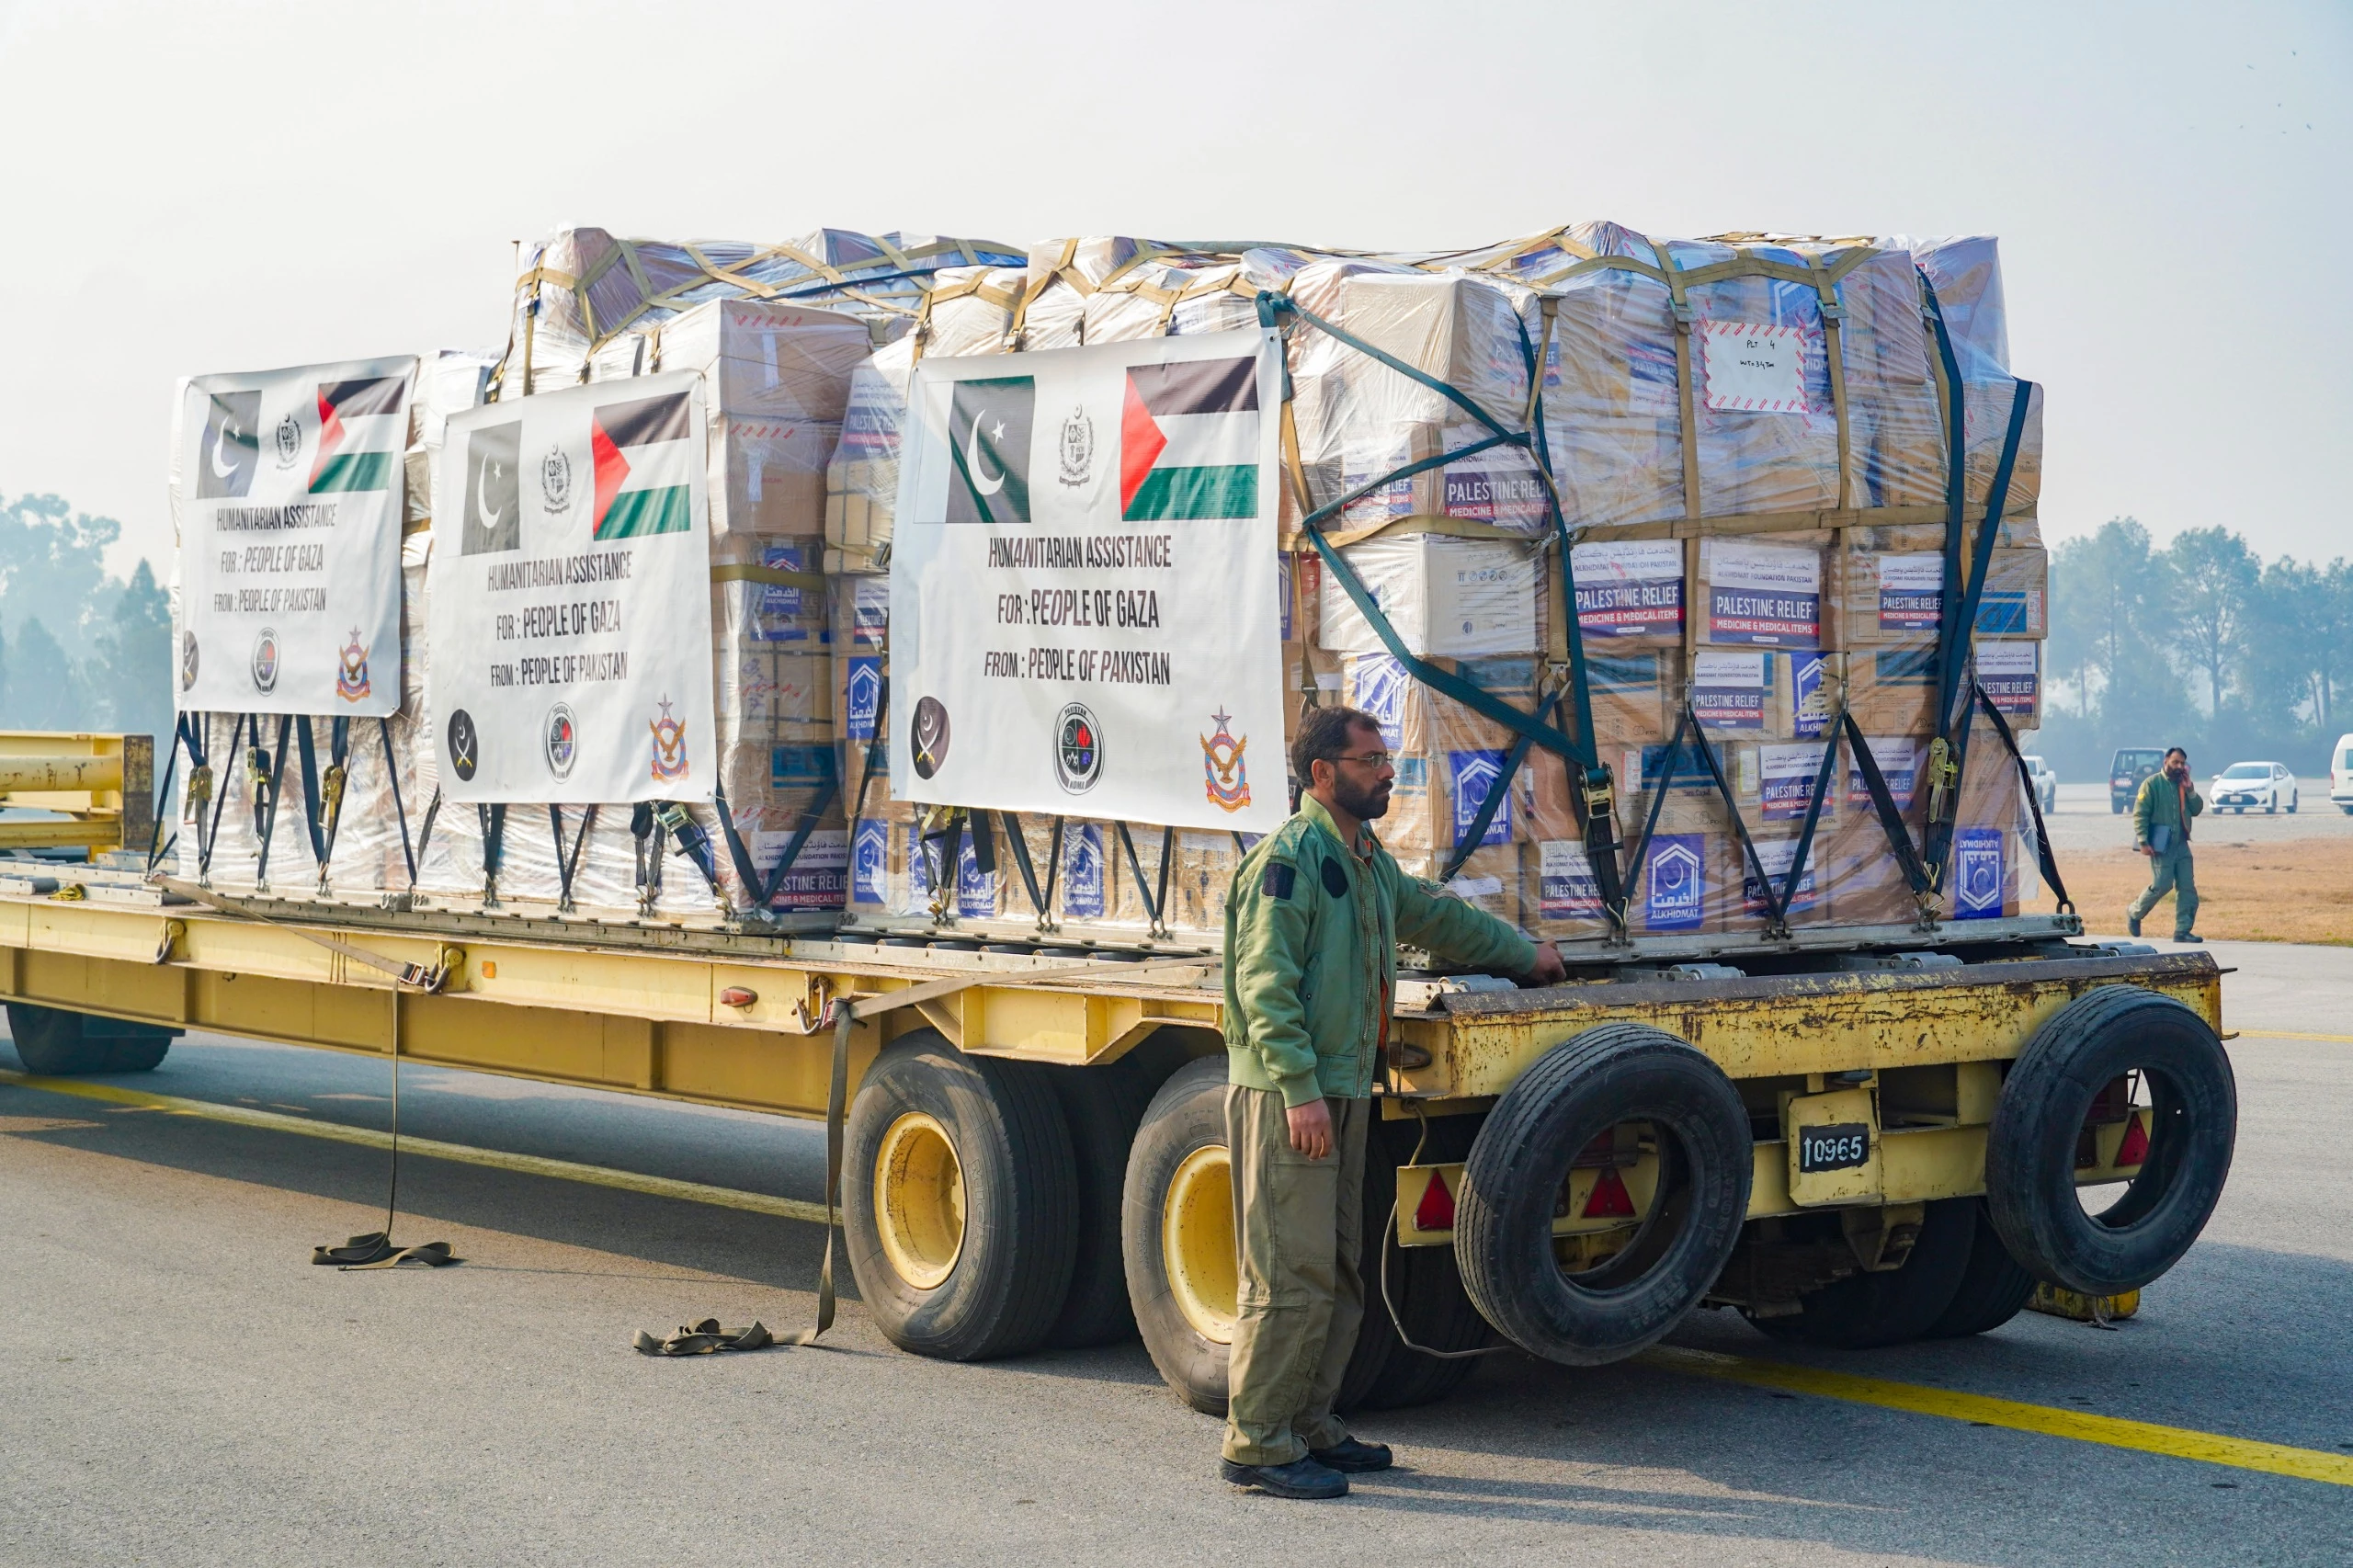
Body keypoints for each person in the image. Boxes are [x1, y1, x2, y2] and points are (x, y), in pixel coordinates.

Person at [1217, 705, 1567, 1500]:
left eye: (1387, 757)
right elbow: (1262, 988)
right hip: (1287, 1095)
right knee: (1287, 1272)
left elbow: (1437, 919)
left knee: (1338, 1270)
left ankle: (1308, 1423)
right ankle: (1257, 1444)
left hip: (1341, 1089)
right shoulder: (1289, 863)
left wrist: (1525, 956)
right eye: (1371, 759)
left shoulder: (1366, 861)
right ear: (1322, 775)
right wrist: (1301, 1091)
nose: (1387, 771)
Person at [2128, 744, 2203, 943]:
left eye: (2182, 763)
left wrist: (2191, 790)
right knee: (2162, 885)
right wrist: (2143, 841)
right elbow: (2140, 814)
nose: (2179, 766)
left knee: (2187, 888)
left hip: (2182, 845)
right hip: (2161, 846)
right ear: (2166, 762)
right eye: (2175, 762)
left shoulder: (2183, 786)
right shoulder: (2152, 784)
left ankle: (2182, 931)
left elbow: (2196, 809)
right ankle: (2135, 912)